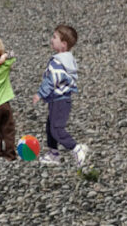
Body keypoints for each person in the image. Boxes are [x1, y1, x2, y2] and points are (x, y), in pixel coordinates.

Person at [31, 24, 88, 167]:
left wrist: (40, 94)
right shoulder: (68, 60)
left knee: (56, 128)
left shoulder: (57, 62)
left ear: (63, 45)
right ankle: (53, 154)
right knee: (50, 125)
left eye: (54, 37)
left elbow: (52, 80)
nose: (51, 39)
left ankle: (76, 148)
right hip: (61, 99)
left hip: (59, 101)